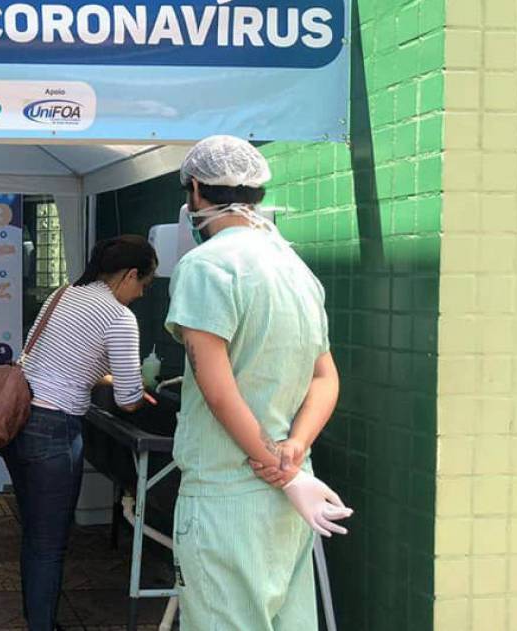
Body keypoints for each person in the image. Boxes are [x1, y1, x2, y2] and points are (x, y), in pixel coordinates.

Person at [164, 135, 351, 631]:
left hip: (229, 494)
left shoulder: (205, 267)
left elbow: (218, 390)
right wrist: (295, 452)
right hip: (290, 502)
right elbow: (325, 377)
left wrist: (281, 470)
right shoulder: (296, 269)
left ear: (196, 189)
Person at [10, 235, 158, 631]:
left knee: (36, 533)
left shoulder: (64, 294)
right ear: (129, 275)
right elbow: (128, 399)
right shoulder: (119, 317)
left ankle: (36, 618)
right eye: (143, 284)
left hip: (19, 420)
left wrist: (107, 376)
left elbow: (62, 359)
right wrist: (137, 391)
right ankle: (41, 626)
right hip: (53, 430)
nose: (142, 294)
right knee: (48, 544)